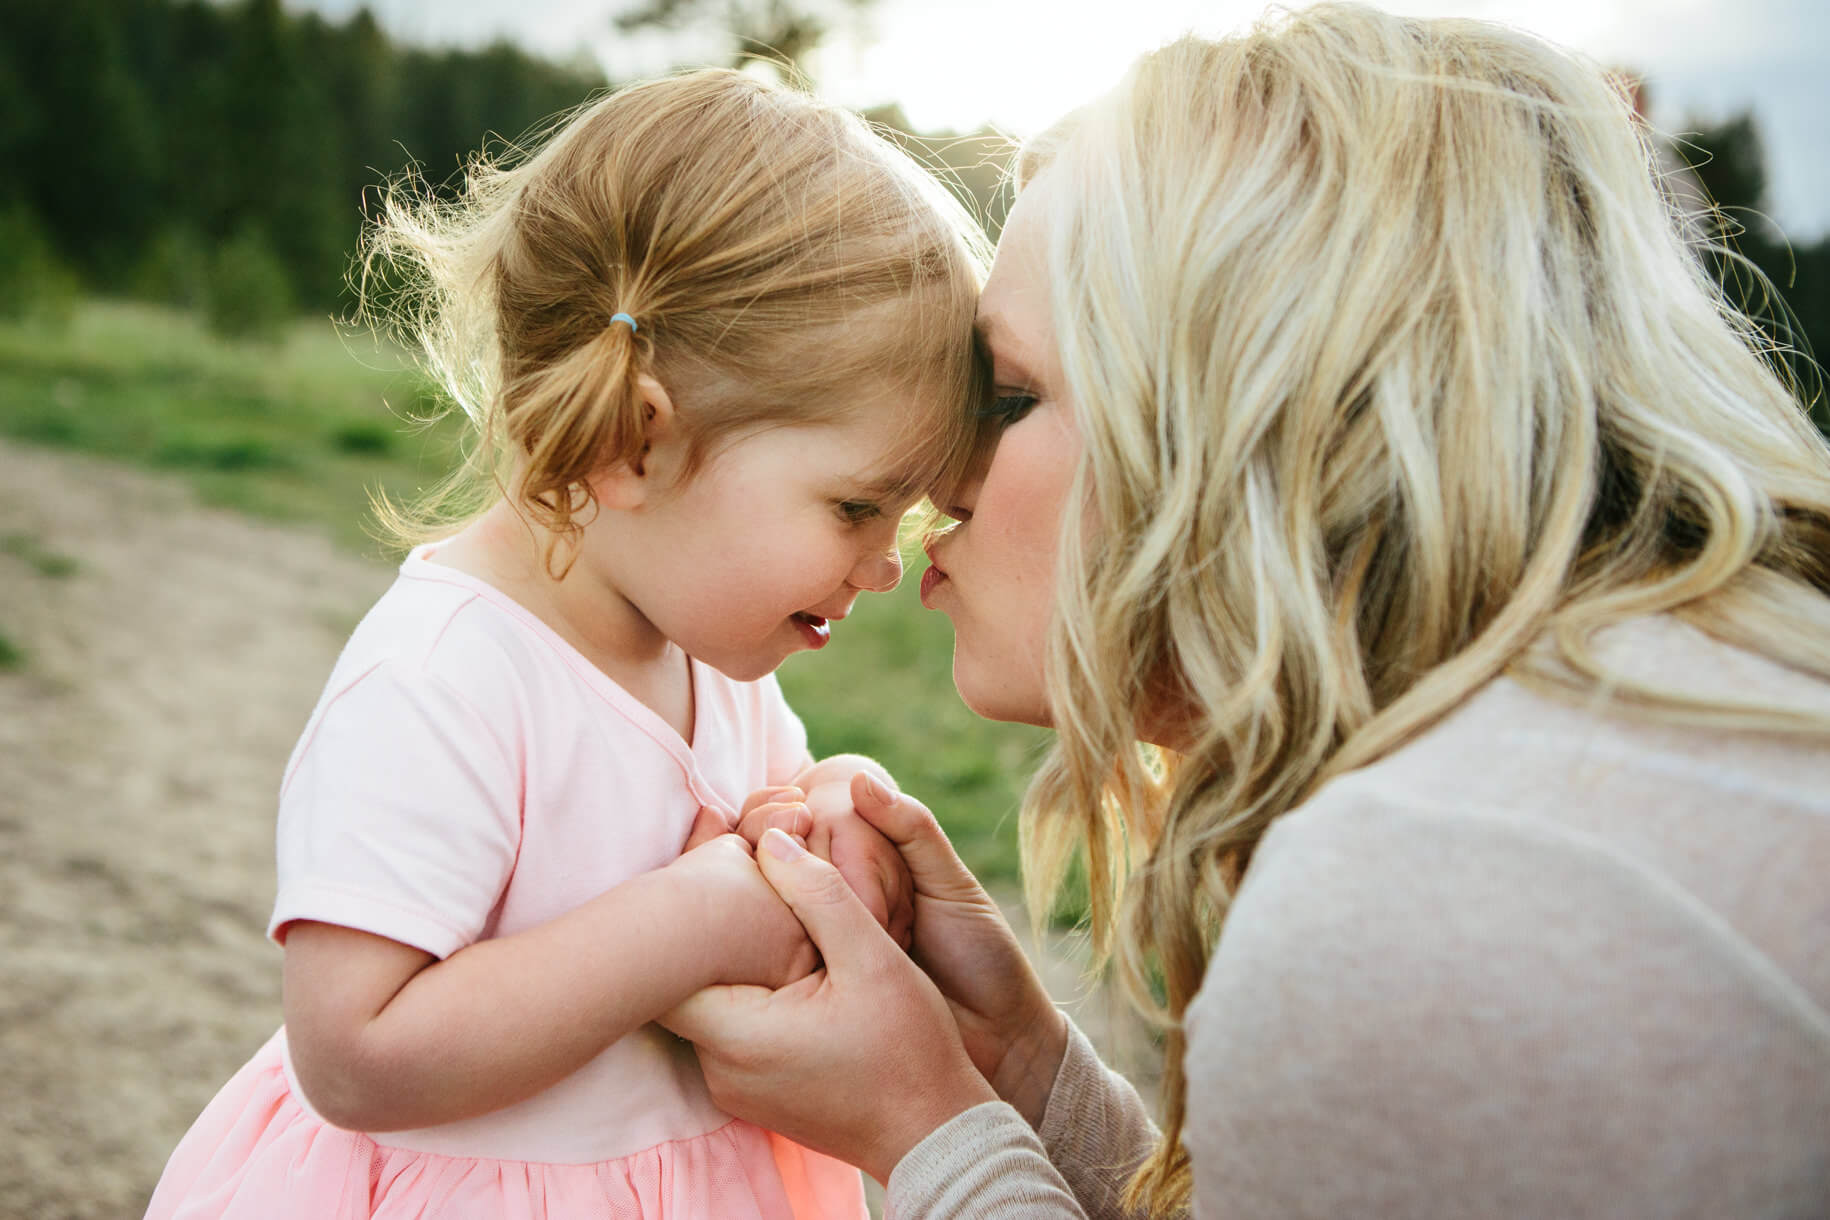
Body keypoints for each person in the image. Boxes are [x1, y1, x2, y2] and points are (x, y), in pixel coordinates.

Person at [666, 5, 1830, 1217]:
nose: (938, 482)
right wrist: (1022, 1073)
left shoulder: (1438, 895)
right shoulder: (1600, 748)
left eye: (1008, 395)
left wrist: (925, 1129)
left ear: (1249, 440)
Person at [143, 68, 988, 1220]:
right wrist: (694, 920)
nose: (888, 561)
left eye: (910, 517)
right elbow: (351, 1051)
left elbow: (761, 895)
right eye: (854, 508)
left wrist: (827, 830)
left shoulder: (720, 656)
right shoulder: (447, 676)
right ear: (636, 444)